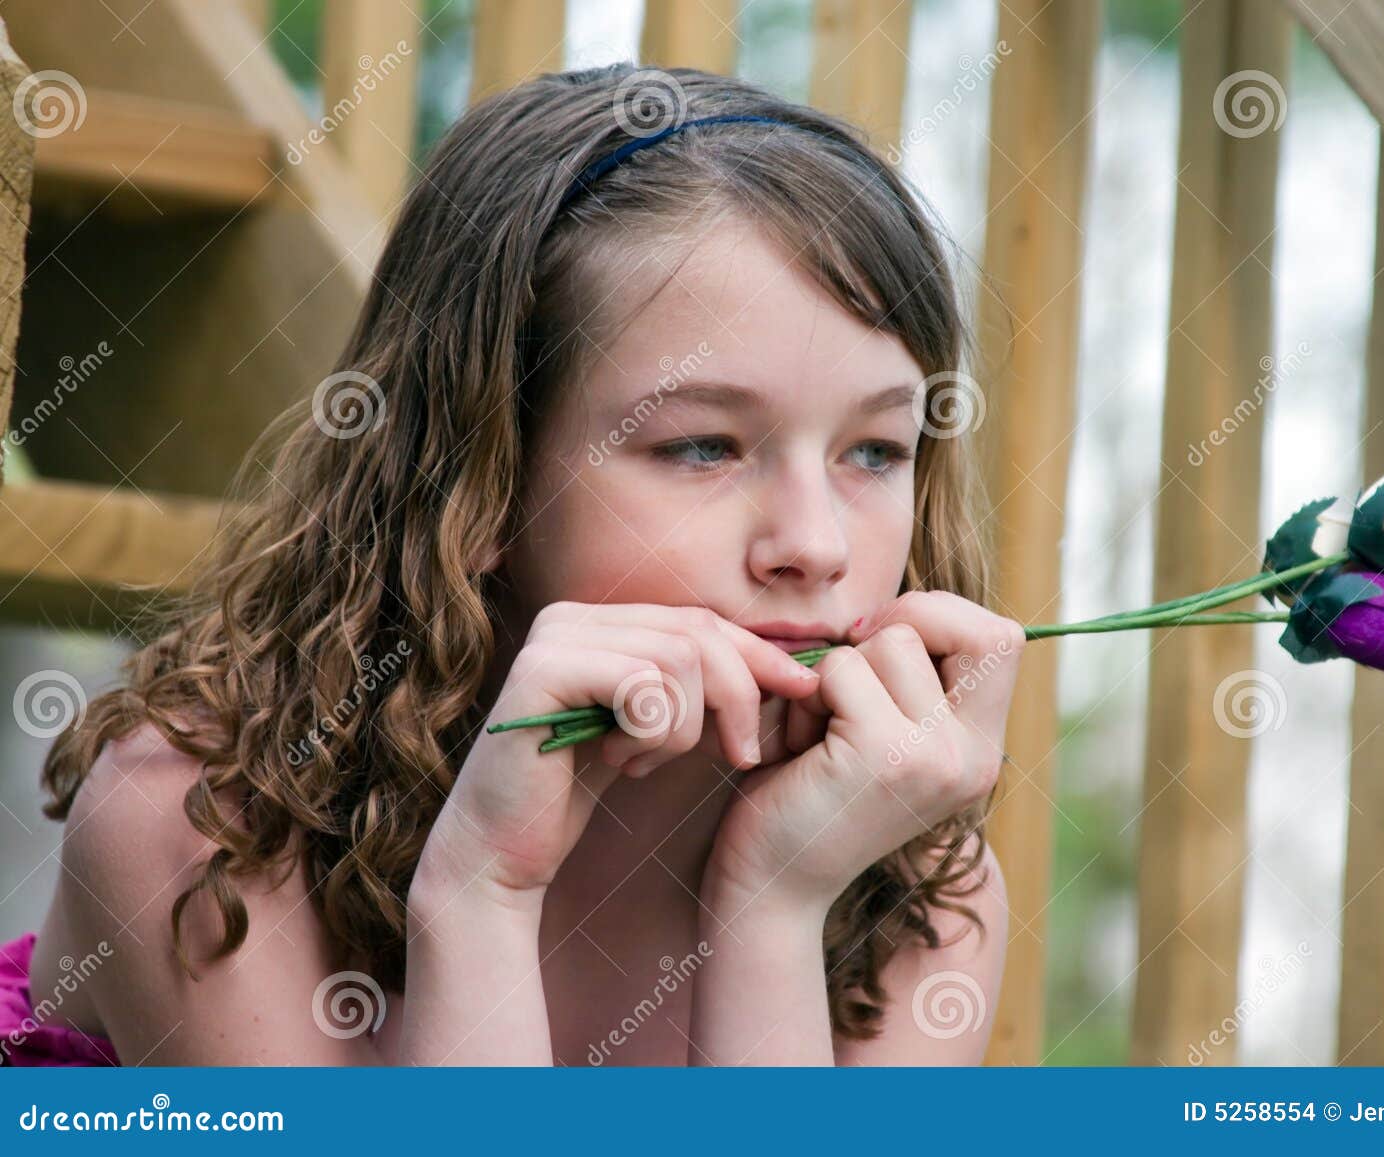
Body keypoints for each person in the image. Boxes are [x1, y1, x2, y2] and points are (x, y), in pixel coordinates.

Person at [1, 63, 1024, 1067]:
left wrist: (773, 905)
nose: (816, 544)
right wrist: (477, 891)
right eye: (702, 446)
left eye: (875, 451)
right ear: (474, 479)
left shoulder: (917, 887)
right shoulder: (207, 823)